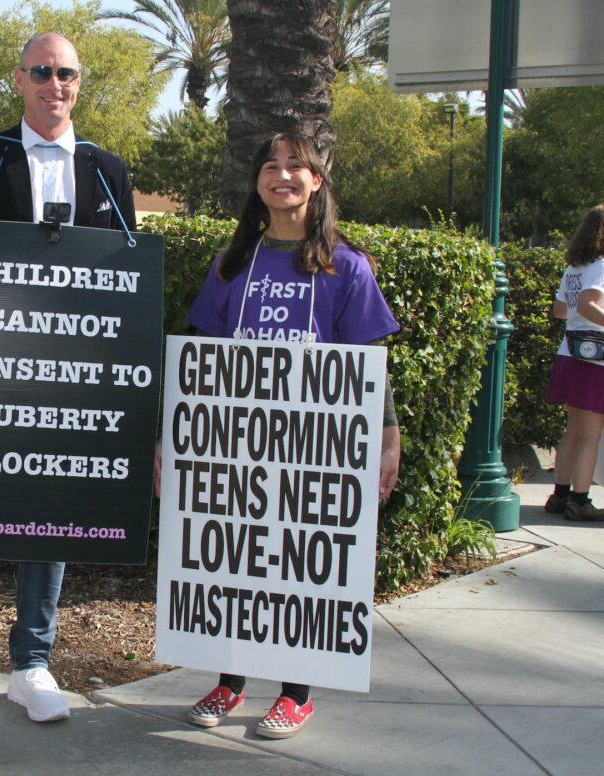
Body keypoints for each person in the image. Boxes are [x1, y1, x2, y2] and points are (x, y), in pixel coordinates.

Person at [0, 32, 137, 737]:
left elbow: (124, 279)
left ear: (79, 82)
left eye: (66, 73)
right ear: (19, 79)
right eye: (41, 71)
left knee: (54, 520)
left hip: (69, 390)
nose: (55, 84)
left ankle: (32, 666)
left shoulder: (107, 172)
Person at [175, 132, 400, 739]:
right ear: (257, 183)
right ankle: (229, 682)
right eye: (270, 167)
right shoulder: (232, 263)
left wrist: (388, 437)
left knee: (300, 569)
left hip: (314, 449)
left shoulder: (346, 266)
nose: (282, 177)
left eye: (295, 167)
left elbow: (368, 361)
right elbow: (200, 359)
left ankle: (296, 694)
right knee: (234, 561)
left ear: (317, 181)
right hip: (233, 442)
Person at [544, 200, 604, 522]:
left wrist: (584, 318)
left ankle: (561, 494)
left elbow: (561, 309)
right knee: (589, 435)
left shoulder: (576, 267)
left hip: (570, 353)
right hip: (598, 359)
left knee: (573, 430)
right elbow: (587, 304)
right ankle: (580, 502)